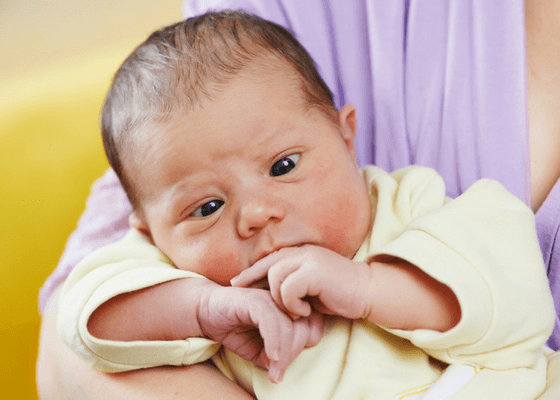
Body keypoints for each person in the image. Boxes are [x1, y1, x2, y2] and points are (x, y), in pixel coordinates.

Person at [36, 1, 560, 399]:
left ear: (346, 135)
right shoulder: (185, 277)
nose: (254, 212)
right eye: (207, 208)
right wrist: (205, 309)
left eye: (284, 167)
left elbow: (512, 295)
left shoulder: (408, 202)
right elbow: (84, 319)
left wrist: (368, 287)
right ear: (147, 230)